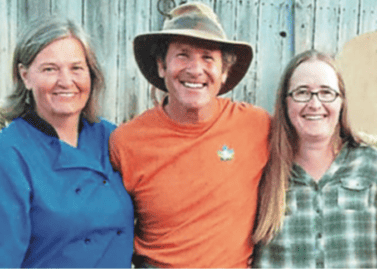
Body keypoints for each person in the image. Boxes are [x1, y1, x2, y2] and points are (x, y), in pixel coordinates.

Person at [108, 2, 270, 267]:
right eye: (182, 55)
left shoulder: (257, 125)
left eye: (208, 57)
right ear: (162, 66)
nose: (195, 70)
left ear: (224, 71)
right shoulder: (126, 142)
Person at [0, 18, 133, 267]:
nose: (66, 81)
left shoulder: (112, 138)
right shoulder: (4, 159)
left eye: (76, 68)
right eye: (49, 69)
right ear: (25, 76)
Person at [251, 50, 377, 268]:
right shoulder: (261, 167)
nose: (315, 104)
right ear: (285, 102)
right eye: (302, 92)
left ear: (341, 101)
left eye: (326, 93)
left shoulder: (373, 164)